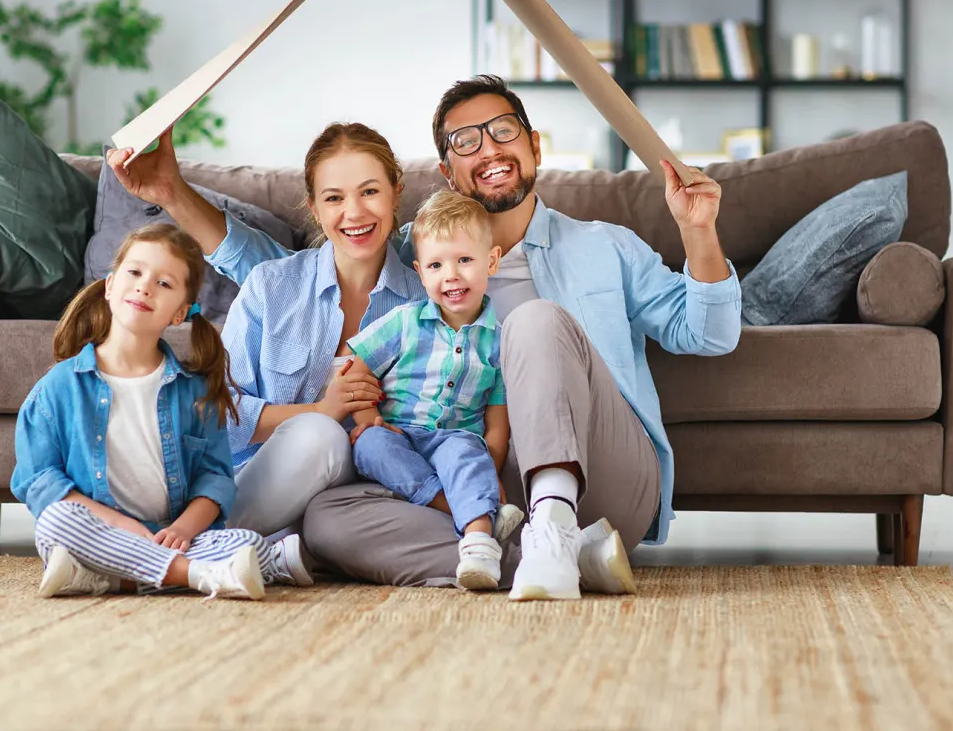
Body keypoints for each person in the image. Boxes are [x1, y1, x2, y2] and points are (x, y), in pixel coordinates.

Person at [108, 75, 742, 598]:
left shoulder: (605, 247)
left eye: (503, 131)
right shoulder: (422, 259)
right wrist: (170, 192)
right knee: (329, 518)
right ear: (446, 171)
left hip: (602, 479)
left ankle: (559, 527)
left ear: (535, 146)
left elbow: (708, 335)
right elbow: (288, 275)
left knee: (534, 321)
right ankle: (548, 557)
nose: (488, 148)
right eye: (466, 141)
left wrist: (698, 231)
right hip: (473, 489)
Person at [106, 123, 429, 539]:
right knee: (320, 436)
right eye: (334, 198)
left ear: (396, 192)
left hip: (357, 502)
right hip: (260, 486)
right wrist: (319, 412)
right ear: (313, 208)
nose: (354, 213)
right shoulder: (271, 285)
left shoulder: (423, 303)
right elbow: (220, 413)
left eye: (369, 192)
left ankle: (215, 549)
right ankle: (193, 543)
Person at [10, 223, 312, 600]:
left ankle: (108, 578)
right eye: (134, 272)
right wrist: (120, 525)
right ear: (109, 286)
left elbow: (215, 480)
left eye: (164, 284)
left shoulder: (195, 392)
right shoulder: (58, 387)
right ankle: (200, 575)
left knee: (243, 541)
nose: (145, 286)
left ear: (179, 313)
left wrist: (184, 529)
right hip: (95, 532)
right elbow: (38, 480)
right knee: (55, 522)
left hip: (168, 535)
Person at [345, 190, 527, 591]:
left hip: (455, 439)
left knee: (468, 453)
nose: (451, 275)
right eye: (436, 265)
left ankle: (479, 543)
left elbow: (497, 419)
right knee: (369, 445)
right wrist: (368, 421)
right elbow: (356, 371)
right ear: (420, 272)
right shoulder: (404, 322)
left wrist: (489, 465)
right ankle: (471, 511)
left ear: (491, 261)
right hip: (400, 435)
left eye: (465, 260)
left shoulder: (500, 341)